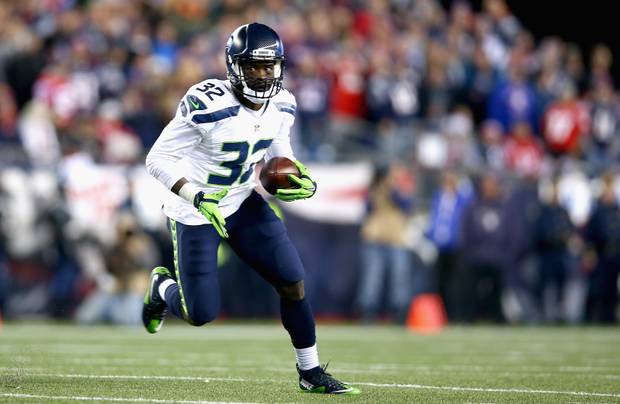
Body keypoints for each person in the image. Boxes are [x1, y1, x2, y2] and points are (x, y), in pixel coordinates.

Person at [143, 23, 359, 395]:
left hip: (241, 201)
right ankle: (162, 287)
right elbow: (157, 158)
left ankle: (310, 372)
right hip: (195, 211)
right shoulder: (209, 103)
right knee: (200, 313)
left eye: (267, 66)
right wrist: (196, 196)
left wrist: (296, 175)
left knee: (292, 280)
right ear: (234, 67)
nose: (261, 74)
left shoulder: (283, 103)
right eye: (252, 66)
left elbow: (279, 151)